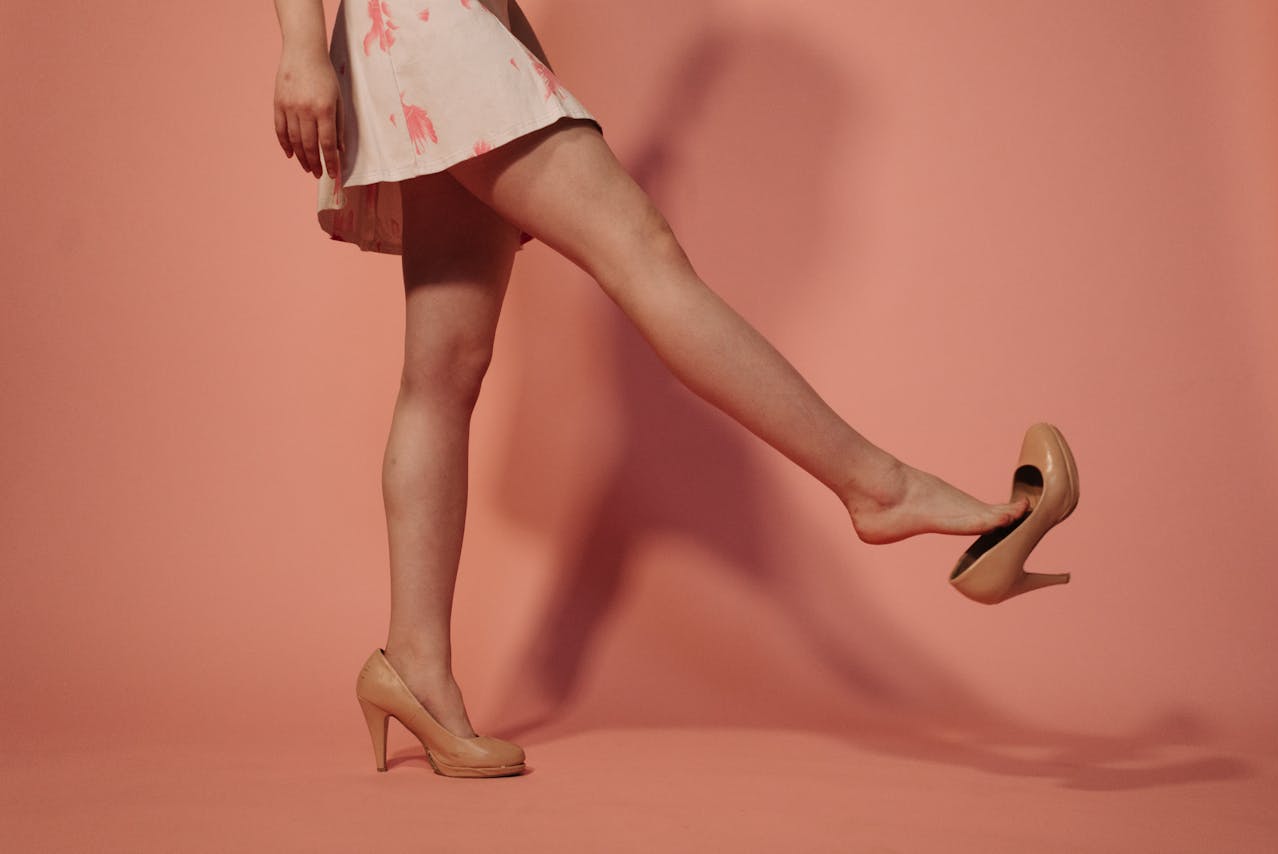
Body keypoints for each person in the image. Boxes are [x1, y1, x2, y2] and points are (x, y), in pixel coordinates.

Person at [272, 0, 1028, 777]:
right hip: (422, 20)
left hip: (461, 21)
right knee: (643, 253)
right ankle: (880, 487)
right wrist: (299, 42)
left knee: (444, 368)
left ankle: (415, 666)